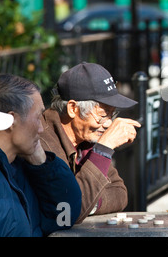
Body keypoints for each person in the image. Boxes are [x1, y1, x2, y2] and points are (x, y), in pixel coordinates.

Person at [40, 62, 141, 223]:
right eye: (102, 114)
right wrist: (103, 150)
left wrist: (88, 203)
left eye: (112, 115)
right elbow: (66, 212)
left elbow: (120, 193)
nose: (108, 123)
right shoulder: (43, 143)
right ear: (73, 108)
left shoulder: (86, 139)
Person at [0, 74, 81, 236]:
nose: (41, 129)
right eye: (38, 117)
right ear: (12, 120)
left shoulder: (20, 167)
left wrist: (41, 162)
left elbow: (63, 219)